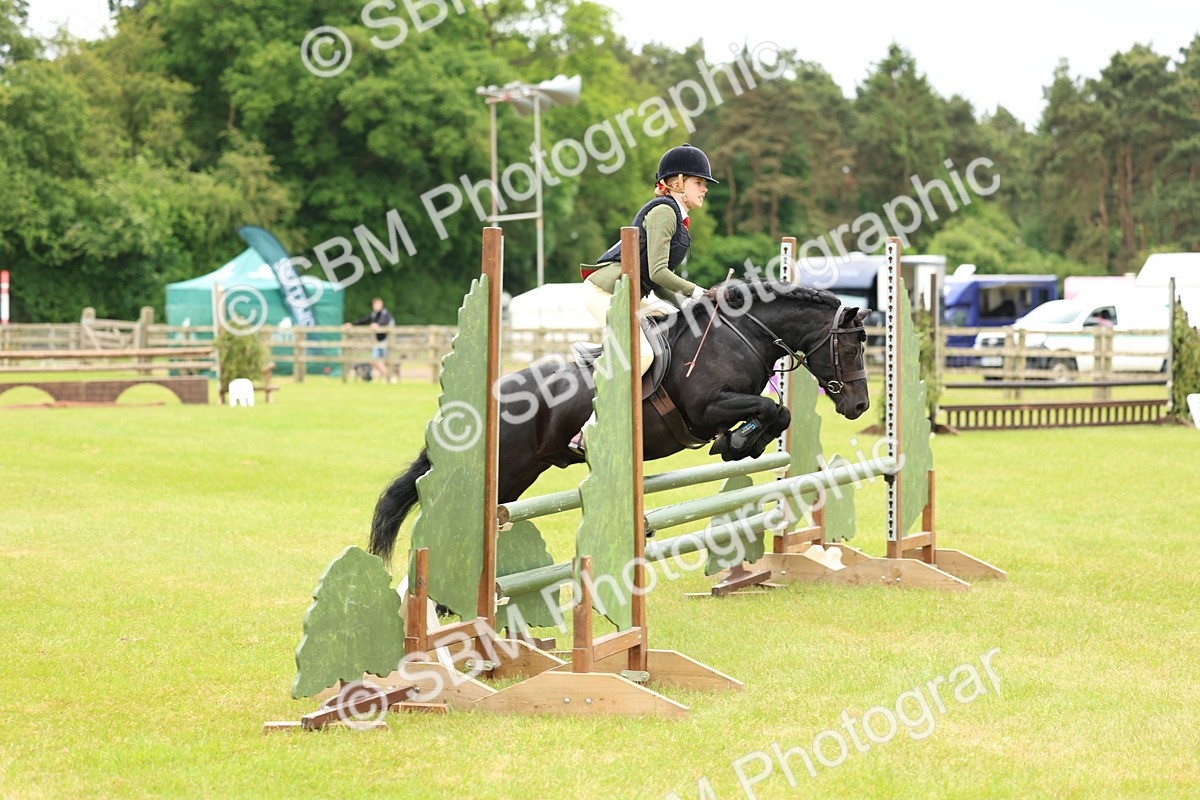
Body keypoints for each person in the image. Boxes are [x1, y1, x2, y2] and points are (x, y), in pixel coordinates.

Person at [570, 143, 723, 454]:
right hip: (605, 291)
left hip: (632, 292)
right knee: (644, 354)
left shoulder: (677, 217)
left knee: (675, 325)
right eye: (699, 182)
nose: (704, 189)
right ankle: (589, 427)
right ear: (677, 182)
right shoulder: (664, 212)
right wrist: (698, 292)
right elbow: (658, 272)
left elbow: (657, 282)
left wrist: (690, 306)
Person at [343, 297, 396, 383]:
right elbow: (364, 320)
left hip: (386, 340)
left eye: (379, 305)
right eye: (376, 305)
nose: (378, 306)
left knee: (387, 361)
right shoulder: (374, 314)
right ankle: (389, 377)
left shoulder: (386, 314)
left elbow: (386, 322)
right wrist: (352, 324)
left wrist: (377, 325)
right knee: (375, 361)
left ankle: (389, 378)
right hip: (378, 341)